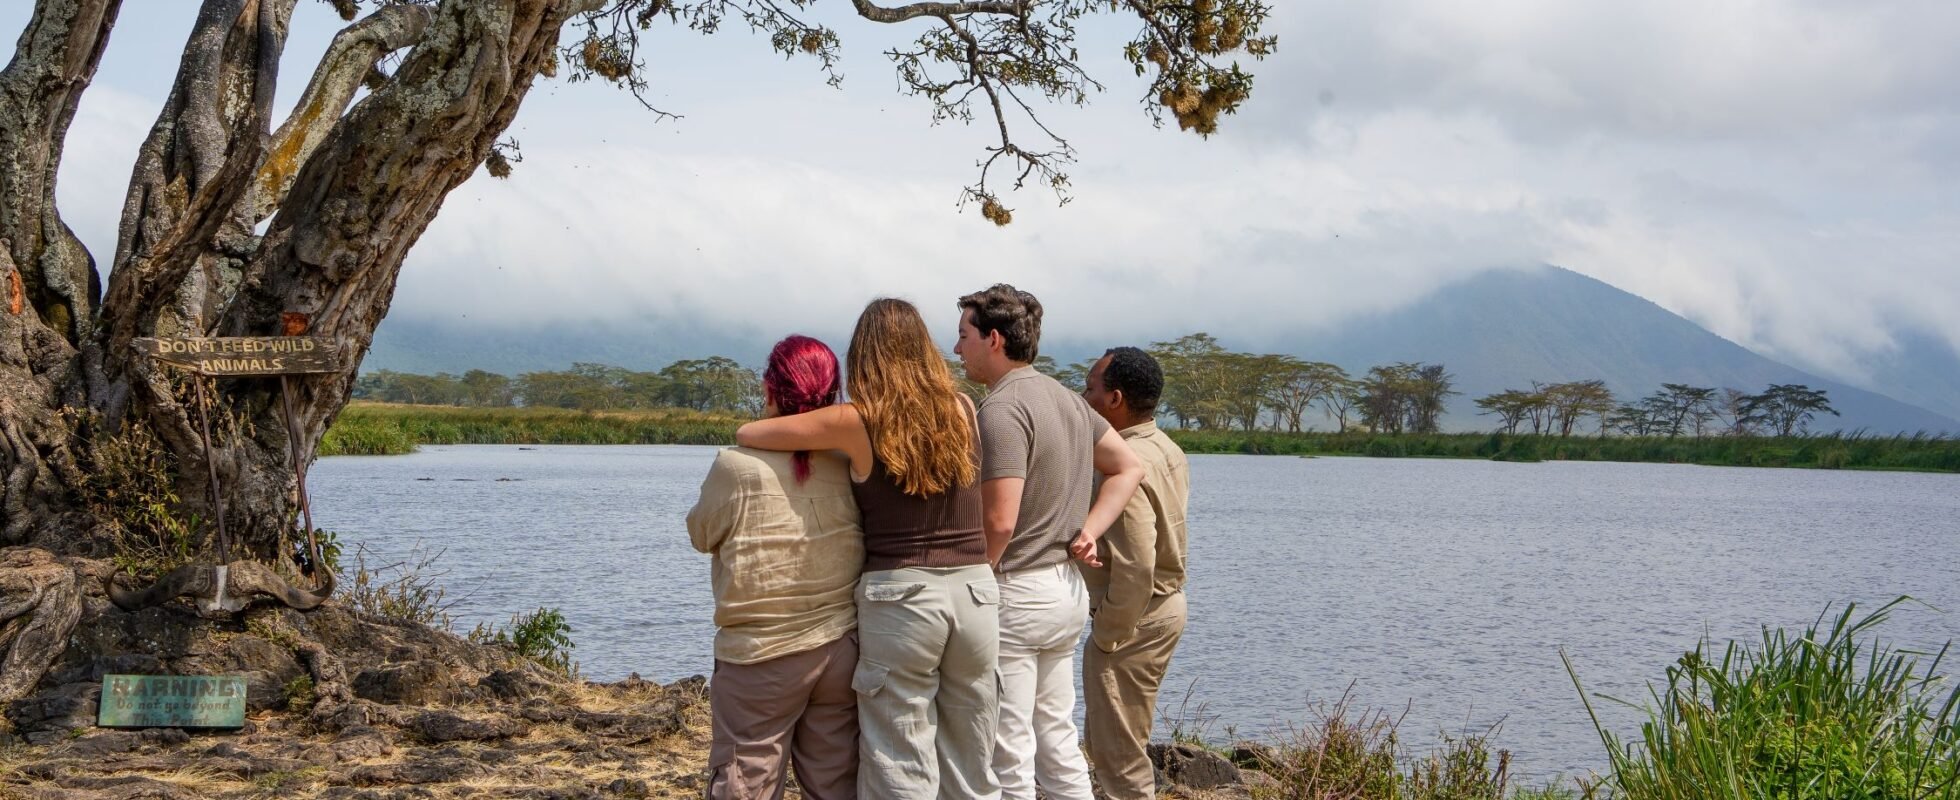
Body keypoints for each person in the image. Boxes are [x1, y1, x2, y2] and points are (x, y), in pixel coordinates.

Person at [736, 299, 1001, 800]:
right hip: (976, 592)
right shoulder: (965, 408)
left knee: (900, 753)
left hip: (901, 597)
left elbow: (751, 433)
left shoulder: (858, 419)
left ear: (865, 355)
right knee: (972, 755)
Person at [952, 284, 1145, 800]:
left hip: (1016, 592)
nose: (957, 348)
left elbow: (999, 521)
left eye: (964, 335)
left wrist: (979, 576)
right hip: (1064, 590)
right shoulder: (1065, 399)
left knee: (1007, 745)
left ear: (993, 339)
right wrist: (1089, 530)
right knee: (1056, 735)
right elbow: (1129, 466)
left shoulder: (1002, 409)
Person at [687, 335, 864, 800]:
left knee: (745, 781)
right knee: (836, 782)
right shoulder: (848, 462)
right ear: (831, 396)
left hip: (760, 654)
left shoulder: (736, 466)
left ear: (770, 389)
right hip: (838, 651)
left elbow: (701, 534)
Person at [1077, 347, 1191, 800]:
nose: (1083, 397)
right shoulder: (1166, 446)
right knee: (1124, 742)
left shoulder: (1122, 463)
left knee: (1117, 758)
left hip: (1135, 618)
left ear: (1115, 399)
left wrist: (1107, 634)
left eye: (1090, 389)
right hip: (1163, 608)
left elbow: (1136, 565)